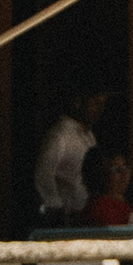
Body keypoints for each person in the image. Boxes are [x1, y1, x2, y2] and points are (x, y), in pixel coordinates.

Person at [32, 85, 107, 227]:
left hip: (88, 212)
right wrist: (56, 208)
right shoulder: (60, 135)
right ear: (78, 102)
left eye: (102, 104)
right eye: (95, 103)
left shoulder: (89, 135)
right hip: (68, 216)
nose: (99, 109)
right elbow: (43, 176)